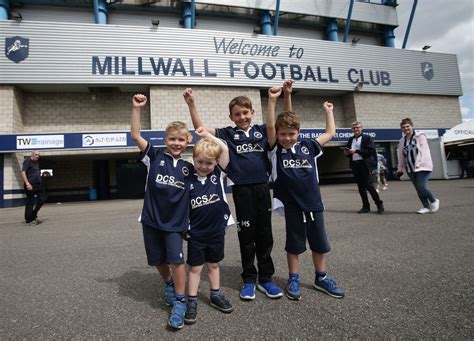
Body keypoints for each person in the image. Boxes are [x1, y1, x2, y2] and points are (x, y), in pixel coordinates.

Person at [183, 86, 283, 301]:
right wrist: (192, 104)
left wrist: (274, 99)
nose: (242, 117)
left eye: (245, 113)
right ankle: (248, 280)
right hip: (241, 191)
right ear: (231, 117)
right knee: (246, 237)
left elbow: (277, 123)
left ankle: (266, 279)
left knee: (265, 236)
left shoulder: (263, 131)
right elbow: (200, 128)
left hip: (262, 189)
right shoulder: (227, 133)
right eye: (237, 114)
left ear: (252, 113)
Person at [266, 84, 344, 301]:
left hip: (313, 204)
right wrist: (273, 100)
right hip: (292, 206)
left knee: (319, 243)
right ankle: (294, 278)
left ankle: (321, 277)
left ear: (298, 133)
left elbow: (330, 133)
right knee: (294, 245)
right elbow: (272, 125)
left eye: (291, 134)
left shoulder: (308, 146)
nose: (287, 137)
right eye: (283, 134)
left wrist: (328, 111)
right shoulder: (275, 149)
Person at [131, 94, 193, 330]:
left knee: (177, 261)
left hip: (176, 224)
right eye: (172, 139)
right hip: (151, 220)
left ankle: (180, 301)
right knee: (157, 259)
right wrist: (136, 108)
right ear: (165, 140)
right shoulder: (154, 156)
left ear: (187, 141)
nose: (176, 143)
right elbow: (136, 135)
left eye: (181, 139)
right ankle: (168, 284)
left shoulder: (190, 168)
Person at [184, 127, 235, 325]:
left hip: (216, 231)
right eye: (200, 162)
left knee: (213, 264)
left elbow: (225, 149)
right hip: (196, 233)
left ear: (216, 163)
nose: (204, 166)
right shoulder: (188, 180)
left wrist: (207, 135)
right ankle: (192, 301)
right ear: (194, 159)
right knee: (195, 268)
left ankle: (215, 295)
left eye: (209, 163)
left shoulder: (218, 176)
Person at [396, 118, 440, 214]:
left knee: (422, 186)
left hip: (422, 166)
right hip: (410, 168)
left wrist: (419, 163)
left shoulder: (420, 136)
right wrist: (400, 168)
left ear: (412, 126)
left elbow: (423, 151)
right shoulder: (402, 141)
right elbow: (401, 156)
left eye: (408, 126)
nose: (406, 128)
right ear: (401, 129)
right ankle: (425, 207)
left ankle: (433, 200)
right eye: (403, 127)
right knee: (418, 189)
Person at [344, 122, 384, 214]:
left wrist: (356, 151)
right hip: (355, 164)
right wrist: (347, 153)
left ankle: (379, 204)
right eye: (354, 128)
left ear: (361, 128)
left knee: (368, 185)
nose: (356, 130)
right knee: (360, 187)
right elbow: (349, 152)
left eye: (357, 128)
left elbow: (370, 151)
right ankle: (366, 206)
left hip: (364, 164)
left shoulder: (367, 138)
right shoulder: (351, 139)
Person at [21, 150, 47, 225]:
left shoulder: (36, 163)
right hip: (30, 185)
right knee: (30, 202)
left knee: (43, 198)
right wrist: (27, 183)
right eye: (36, 154)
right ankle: (29, 220)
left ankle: (33, 215)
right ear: (32, 154)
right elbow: (23, 172)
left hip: (38, 185)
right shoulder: (27, 161)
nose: (37, 156)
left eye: (38, 155)